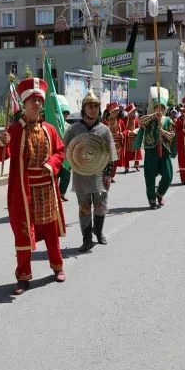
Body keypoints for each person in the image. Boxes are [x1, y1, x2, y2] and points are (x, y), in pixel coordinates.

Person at [0, 77, 66, 295]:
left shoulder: (50, 130)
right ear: (24, 104)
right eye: (33, 101)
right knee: (23, 235)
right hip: (24, 194)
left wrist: (52, 165)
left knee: (51, 233)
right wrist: (1, 143)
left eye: (39, 101)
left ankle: (58, 267)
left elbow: (60, 152)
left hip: (47, 190)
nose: (37, 104)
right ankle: (23, 276)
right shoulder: (14, 131)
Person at [62, 90, 117, 253]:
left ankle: (98, 231)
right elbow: (63, 148)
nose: (93, 109)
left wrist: (108, 174)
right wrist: (71, 160)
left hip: (100, 173)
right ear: (84, 108)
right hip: (81, 174)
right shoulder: (74, 129)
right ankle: (87, 239)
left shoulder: (104, 130)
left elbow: (111, 154)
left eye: (96, 106)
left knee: (100, 206)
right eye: (90, 106)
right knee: (84, 207)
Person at [135, 88, 176, 209]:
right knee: (150, 176)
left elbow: (172, 135)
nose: (160, 109)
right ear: (154, 108)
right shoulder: (148, 118)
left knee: (168, 175)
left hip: (164, 149)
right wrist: (153, 116)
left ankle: (160, 193)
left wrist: (162, 132)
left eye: (162, 107)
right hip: (151, 150)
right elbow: (140, 122)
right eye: (157, 107)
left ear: (164, 109)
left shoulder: (168, 120)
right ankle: (152, 199)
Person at [102, 102, 125, 181]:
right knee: (106, 161)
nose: (117, 112)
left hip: (117, 145)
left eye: (117, 111)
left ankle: (111, 176)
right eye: (115, 111)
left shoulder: (120, 122)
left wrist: (122, 134)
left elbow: (125, 131)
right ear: (110, 112)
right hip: (107, 145)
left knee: (114, 162)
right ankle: (105, 175)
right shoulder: (105, 122)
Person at [121, 103, 142, 172]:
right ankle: (126, 167)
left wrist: (137, 131)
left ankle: (137, 165)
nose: (134, 112)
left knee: (137, 152)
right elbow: (122, 129)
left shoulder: (136, 119)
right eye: (133, 111)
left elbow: (138, 128)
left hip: (135, 138)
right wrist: (128, 132)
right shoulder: (125, 119)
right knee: (127, 153)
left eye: (134, 111)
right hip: (128, 139)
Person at [58, 107, 72, 201]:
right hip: (57, 153)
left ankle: (61, 193)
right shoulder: (56, 125)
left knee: (66, 175)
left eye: (67, 115)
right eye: (64, 115)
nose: (65, 117)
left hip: (67, 154)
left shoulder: (68, 126)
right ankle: (54, 194)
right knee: (55, 176)